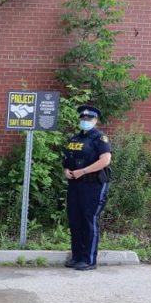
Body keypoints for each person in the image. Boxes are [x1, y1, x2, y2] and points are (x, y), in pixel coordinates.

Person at [63, 104, 112, 271]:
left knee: (89, 220)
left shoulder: (99, 138)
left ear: (95, 120)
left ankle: (89, 259)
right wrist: (66, 171)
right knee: (75, 220)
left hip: (93, 185)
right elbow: (66, 160)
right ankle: (77, 256)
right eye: (83, 118)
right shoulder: (74, 139)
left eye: (89, 119)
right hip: (75, 185)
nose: (85, 121)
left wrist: (83, 171)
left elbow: (105, 160)